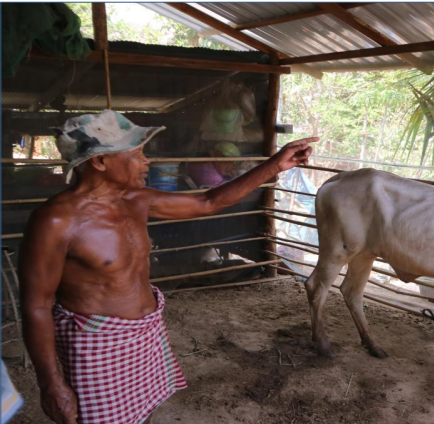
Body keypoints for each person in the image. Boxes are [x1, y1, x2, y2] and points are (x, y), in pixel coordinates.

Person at [18, 110, 317, 424]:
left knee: (143, 412)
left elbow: (208, 203)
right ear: (100, 161)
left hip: (146, 332)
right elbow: (37, 304)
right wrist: (50, 383)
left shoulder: (136, 199)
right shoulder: (56, 221)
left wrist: (274, 165)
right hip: (97, 344)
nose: (146, 161)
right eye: (137, 153)